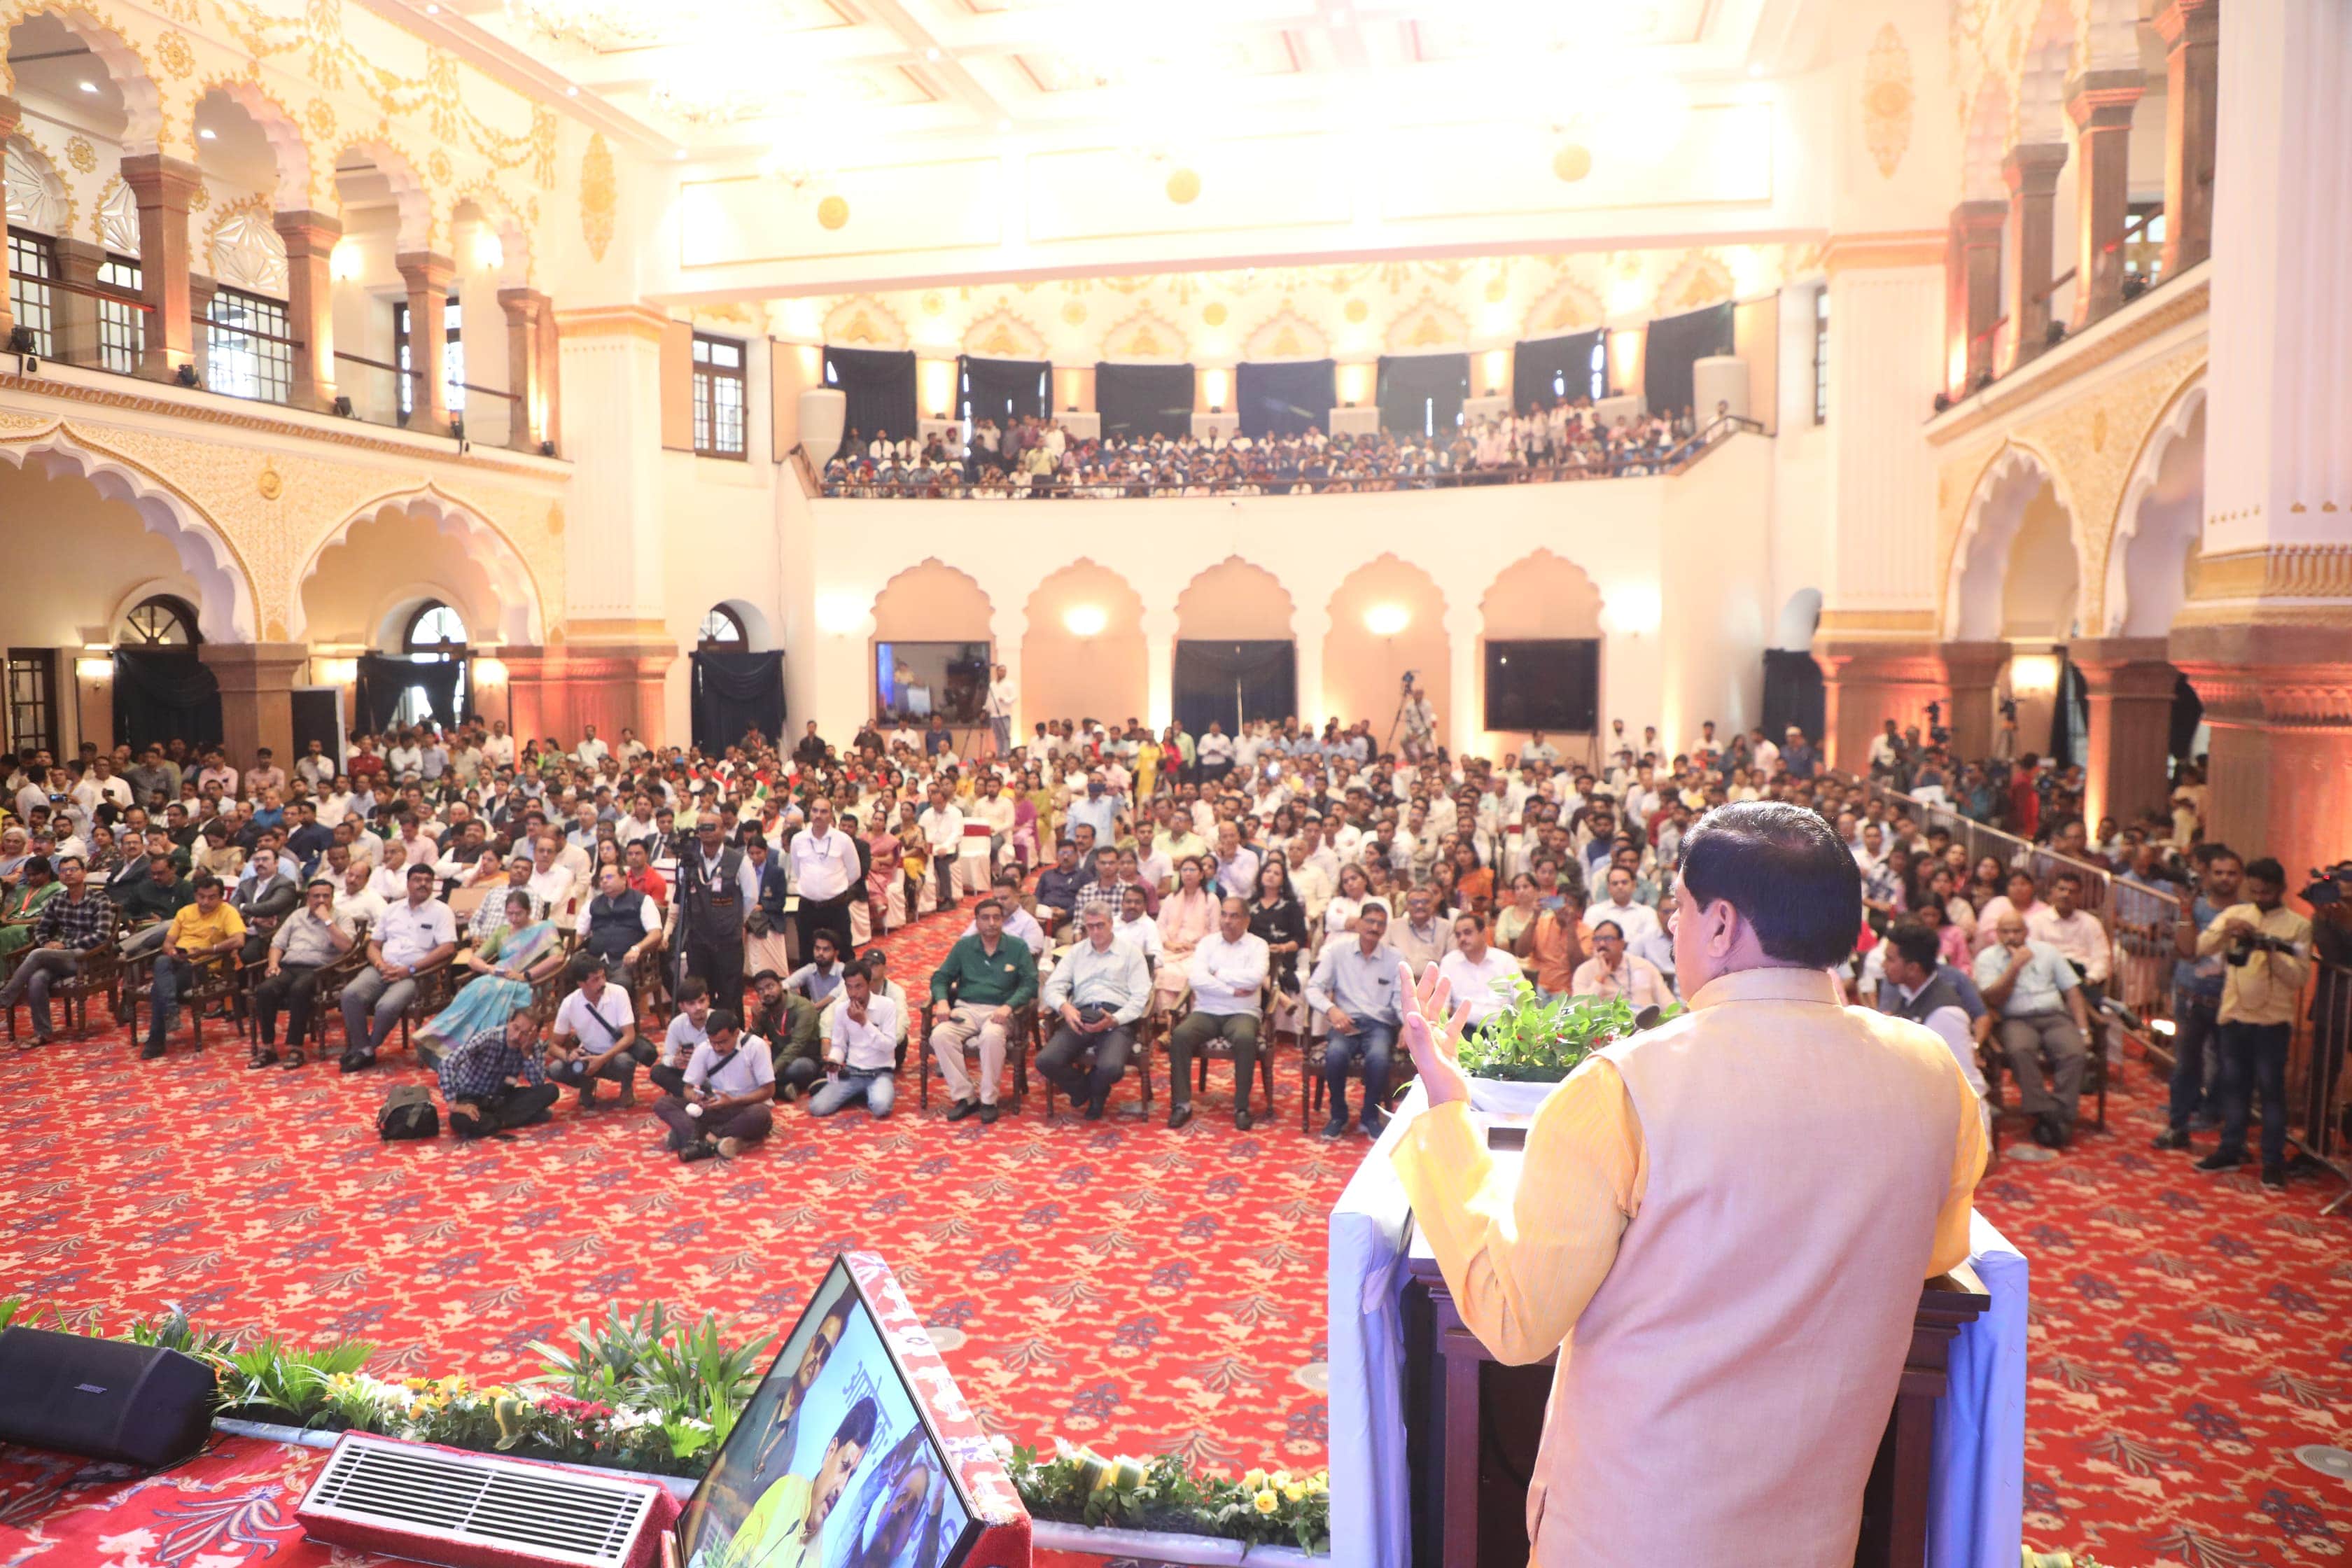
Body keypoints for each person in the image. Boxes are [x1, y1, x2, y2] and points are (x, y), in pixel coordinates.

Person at [1390, 800, 1984, 1565]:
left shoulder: (1624, 1086)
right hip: (1811, 1529)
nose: (1673, 928)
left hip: (1630, 1527)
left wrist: (1448, 1108)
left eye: (1678, 906)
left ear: (1721, 923)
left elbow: (1513, 1319)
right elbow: (1935, 1247)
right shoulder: (1930, 1071)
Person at [2190, 858, 2313, 1188]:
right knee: (2233, 1086)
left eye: (2267, 892)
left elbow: (2298, 977)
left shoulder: (2297, 925)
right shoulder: (2237, 914)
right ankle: (2231, 1148)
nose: (2261, 897)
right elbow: (2200, 947)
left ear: (2281, 890)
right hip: (2234, 1015)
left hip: (2273, 1022)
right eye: (2255, 890)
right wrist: (2225, 930)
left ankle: (2273, 1162)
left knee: (2272, 1092)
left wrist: (2270, 948)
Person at [1972, 910, 2092, 1147]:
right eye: (2005, 932)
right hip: (2015, 1018)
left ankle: (2060, 1113)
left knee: (2074, 1052)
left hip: (2054, 1016)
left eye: (2017, 931)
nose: (2012, 937)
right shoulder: (1987, 958)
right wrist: (2014, 968)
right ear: (1997, 934)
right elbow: (1992, 998)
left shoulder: (2047, 952)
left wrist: (2084, 1030)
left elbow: (2072, 991)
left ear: (2026, 932)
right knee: (2020, 1052)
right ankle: (2043, 1112)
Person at [718, 1396, 879, 1568]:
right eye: (844, 1466)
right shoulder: (786, 1491)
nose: (841, 1487)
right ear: (831, 1451)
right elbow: (732, 1558)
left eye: (851, 1475)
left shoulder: (817, 1557)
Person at [2152, 849, 2241, 1151]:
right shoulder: (2196, 908)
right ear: (2208, 876)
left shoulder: (2249, 914)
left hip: (2232, 1001)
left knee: (2231, 1068)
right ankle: (2178, 1126)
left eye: (2231, 873)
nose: (2225, 879)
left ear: (2240, 877)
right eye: (2219, 873)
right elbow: (2183, 951)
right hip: (2191, 997)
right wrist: (2186, 913)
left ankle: (2222, 1126)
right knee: (2186, 1065)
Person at [925, 897, 1037, 1125]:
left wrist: (1009, 1006)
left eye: (997, 917)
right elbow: (941, 977)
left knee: (992, 1036)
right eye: (985, 918)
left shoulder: (1017, 947)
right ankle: (965, 1097)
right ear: (977, 922)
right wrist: (943, 1002)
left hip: (1001, 1011)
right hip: (966, 1008)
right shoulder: (965, 946)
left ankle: (989, 1100)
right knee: (940, 1035)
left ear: (1003, 920)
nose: (991, 923)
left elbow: (1030, 984)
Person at [338, 864, 460, 1071]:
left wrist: (410, 969)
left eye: (427, 881)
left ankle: (367, 1050)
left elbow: (448, 948)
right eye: (417, 880)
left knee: (386, 1006)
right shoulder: (392, 909)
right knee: (350, 994)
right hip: (383, 968)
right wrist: (379, 964)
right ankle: (363, 1048)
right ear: (408, 883)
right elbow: (373, 945)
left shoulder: (441, 911)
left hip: (417, 975)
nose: (423, 884)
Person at [1036, 903, 1151, 1120]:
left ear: (1111, 924)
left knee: (1112, 1068)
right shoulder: (1076, 952)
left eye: (1100, 926)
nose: (1096, 932)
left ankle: (1093, 1093)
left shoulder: (1131, 953)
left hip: (1117, 1017)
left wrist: (1115, 1020)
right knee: (1046, 1061)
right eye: (1091, 927)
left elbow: (1140, 999)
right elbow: (1053, 986)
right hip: (1082, 1014)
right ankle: (1089, 1091)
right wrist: (1065, 1007)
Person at [1879, 922, 1991, 1138]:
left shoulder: (1945, 1014)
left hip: (1934, 1122)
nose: (1883, 965)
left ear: (1913, 968)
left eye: (1890, 959)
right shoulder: (1905, 992)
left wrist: (1983, 1145)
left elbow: (1970, 1083)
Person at [1303, 896, 1402, 1138]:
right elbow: (1313, 988)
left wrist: (1407, 1026)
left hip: (1380, 1024)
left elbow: (1401, 999)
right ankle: (1339, 1115)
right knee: (1335, 1055)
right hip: (1345, 1021)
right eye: (1369, 922)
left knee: (1379, 1058)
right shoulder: (1338, 953)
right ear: (1358, 924)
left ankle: (1370, 1116)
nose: (1374, 928)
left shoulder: (1395, 958)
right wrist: (1332, 1009)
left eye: (1380, 924)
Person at [419, 890, 564, 1056]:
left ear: (529, 911)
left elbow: (558, 958)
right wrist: (489, 969)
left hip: (530, 984)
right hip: (496, 979)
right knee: (471, 995)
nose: (514, 918)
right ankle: (443, 1042)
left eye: (519, 914)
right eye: (510, 914)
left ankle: (485, 1051)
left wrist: (526, 975)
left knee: (489, 998)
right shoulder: (502, 931)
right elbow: (474, 960)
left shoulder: (544, 928)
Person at [1167, 897, 1269, 1131]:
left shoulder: (1258, 945)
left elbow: (1255, 978)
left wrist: (1218, 973)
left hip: (1243, 1012)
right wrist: (1232, 990)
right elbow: (1196, 979)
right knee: (1181, 1035)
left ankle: (1241, 1107)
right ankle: (1182, 1104)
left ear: (1246, 921)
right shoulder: (1207, 943)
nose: (1227, 921)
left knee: (1245, 1039)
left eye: (1234, 916)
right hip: (1207, 1010)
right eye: (1224, 914)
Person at [248, 876, 360, 1069]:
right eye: (316, 896)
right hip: (290, 966)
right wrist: (273, 964)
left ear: (333, 897)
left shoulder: (341, 918)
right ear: (308, 897)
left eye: (326, 896)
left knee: (299, 990)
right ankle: (268, 1047)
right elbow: (277, 944)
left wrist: (327, 921)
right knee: (266, 989)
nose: (321, 901)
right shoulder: (297, 915)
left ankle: (296, 1047)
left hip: (320, 971)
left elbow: (347, 947)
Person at [0, 855, 111, 1046]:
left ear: (84, 872)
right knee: (37, 978)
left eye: (73, 869)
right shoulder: (58, 899)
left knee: (37, 954)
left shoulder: (99, 898)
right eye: (64, 870)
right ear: (59, 875)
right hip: (61, 956)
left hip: (88, 955)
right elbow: (40, 929)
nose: (68, 873)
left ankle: (6, 997)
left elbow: (102, 935)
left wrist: (66, 945)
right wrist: (48, 943)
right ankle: (43, 1033)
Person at [143, 873, 245, 1059]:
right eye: (201, 897)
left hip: (203, 967)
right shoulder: (186, 911)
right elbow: (167, 943)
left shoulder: (228, 912)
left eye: (212, 897)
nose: (205, 902)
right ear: (195, 895)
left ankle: (156, 1040)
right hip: (178, 961)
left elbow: (239, 940)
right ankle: (170, 1011)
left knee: (158, 988)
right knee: (162, 960)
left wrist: (208, 951)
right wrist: (171, 950)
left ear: (221, 897)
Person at [654, 1008, 776, 1163]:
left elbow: (769, 1090)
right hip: (715, 1106)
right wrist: (694, 1097)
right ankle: (719, 1142)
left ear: (736, 1033)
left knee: (760, 1115)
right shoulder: (705, 1049)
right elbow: (688, 1087)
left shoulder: (756, 1046)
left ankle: (696, 1135)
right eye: (713, 1042)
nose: (717, 1047)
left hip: (746, 1106)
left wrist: (734, 1101)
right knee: (663, 1104)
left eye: (723, 1042)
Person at [677, 811, 759, 1016]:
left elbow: (750, 898)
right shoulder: (688, 861)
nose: (706, 832)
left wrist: (734, 922)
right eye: (701, 827)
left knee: (729, 993)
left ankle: (733, 1042)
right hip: (698, 938)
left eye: (711, 827)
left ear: (723, 830)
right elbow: (682, 895)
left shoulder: (740, 861)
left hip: (728, 941)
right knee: (699, 992)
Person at [439, 1008, 561, 1139]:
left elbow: (538, 1083)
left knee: (551, 1091)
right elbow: (447, 1063)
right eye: (515, 1028)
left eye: (525, 1034)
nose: (517, 1037)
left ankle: (495, 1122)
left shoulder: (532, 1045)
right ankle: (514, 1118)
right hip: (472, 1098)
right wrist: (454, 1105)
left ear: (534, 1035)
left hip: (502, 1098)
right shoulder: (488, 1038)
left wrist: (527, 1053)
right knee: (458, 1120)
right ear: (509, 1022)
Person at [808, 958, 899, 1119]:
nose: (854, 993)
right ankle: (857, 1092)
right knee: (817, 1107)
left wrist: (864, 1022)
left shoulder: (887, 1006)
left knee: (881, 1108)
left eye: (859, 987)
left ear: (869, 984)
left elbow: (889, 1045)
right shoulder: (842, 1010)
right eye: (849, 987)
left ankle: (865, 1093)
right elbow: (839, 1045)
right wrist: (833, 1061)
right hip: (852, 1072)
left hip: (880, 1072)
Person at [548, 959, 642, 1107]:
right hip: (587, 1057)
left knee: (625, 1062)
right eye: (596, 980)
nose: (602, 983)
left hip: (614, 1055)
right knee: (555, 1069)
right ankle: (586, 1083)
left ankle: (626, 1087)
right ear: (581, 984)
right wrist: (568, 1055)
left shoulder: (618, 993)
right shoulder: (570, 1003)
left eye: (603, 976)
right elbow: (553, 1046)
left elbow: (629, 1037)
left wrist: (602, 1059)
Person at [788, 797, 861, 962]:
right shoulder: (798, 840)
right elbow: (798, 871)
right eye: (815, 810)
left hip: (836, 906)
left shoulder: (843, 840)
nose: (818, 815)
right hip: (808, 906)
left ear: (831, 815)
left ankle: (848, 989)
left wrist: (834, 887)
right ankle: (808, 990)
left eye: (824, 811)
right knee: (806, 955)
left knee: (845, 954)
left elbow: (854, 872)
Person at [1436, 909, 1519, 1033]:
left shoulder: (1506, 960)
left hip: (1503, 1030)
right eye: (1458, 935)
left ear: (1484, 933)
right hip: (1463, 1030)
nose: (1462, 938)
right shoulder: (1449, 962)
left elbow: (1521, 999)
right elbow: (1442, 1004)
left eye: (1467, 933)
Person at [1570, 919, 1672, 1007]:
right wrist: (1600, 978)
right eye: (1597, 939)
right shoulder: (1584, 971)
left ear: (1622, 943)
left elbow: (1668, 1003)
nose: (1602, 944)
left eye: (1608, 939)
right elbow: (1580, 1009)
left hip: (1646, 1026)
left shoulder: (1643, 966)